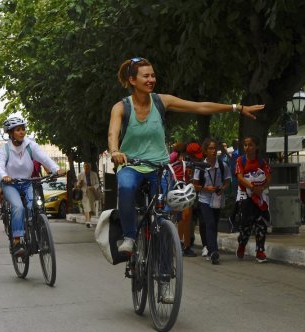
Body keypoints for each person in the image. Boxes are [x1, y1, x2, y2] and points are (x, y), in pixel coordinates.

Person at [108, 57, 265, 256]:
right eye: (145, 76)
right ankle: (130, 238)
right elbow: (113, 133)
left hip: (158, 167)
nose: (151, 79)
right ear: (132, 80)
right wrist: (115, 152)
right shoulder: (121, 107)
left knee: (163, 216)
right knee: (126, 187)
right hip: (131, 165)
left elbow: (200, 107)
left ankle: (164, 271)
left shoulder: (161, 101)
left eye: (153, 75)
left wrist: (237, 108)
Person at [0, 116, 65, 256]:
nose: (22, 132)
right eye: (18, 130)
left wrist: (56, 169)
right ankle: (17, 241)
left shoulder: (30, 145)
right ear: (10, 133)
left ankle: (36, 231)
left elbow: (44, 158)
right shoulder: (4, 149)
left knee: (34, 206)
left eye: (23, 129)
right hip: (11, 184)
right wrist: (4, 176)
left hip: (28, 182)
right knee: (18, 207)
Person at [193, 138, 231, 264]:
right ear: (205, 151)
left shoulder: (222, 165)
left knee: (214, 224)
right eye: (210, 148)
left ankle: (211, 249)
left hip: (217, 199)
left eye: (215, 148)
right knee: (209, 223)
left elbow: (227, 181)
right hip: (204, 199)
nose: (213, 151)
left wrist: (222, 189)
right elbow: (195, 185)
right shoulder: (200, 167)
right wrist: (205, 188)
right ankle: (214, 251)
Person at [235, 135, 272, 263]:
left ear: (256, 147)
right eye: (245, 145)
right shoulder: (240, 160)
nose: (247, 147)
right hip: (245, 194)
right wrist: (251, 187)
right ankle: (242, 244)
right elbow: (240, 177)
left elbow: (268, 178)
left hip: (259, 195)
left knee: (261, 223)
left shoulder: (262, 162)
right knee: (246, 223)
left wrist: (261, 188)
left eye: (250, 145)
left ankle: (260, 251)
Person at [185, 141, 208, 256]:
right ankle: (187, 243)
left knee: (200, 220)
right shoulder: (184, 164)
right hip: (187, 196)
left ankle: (201, 244)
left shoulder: (201, 165)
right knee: (189, 221)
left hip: (199, 196)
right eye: (195, 156)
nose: (197, 158)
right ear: (190, 155)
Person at [77, 162, 99, 228]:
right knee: (86, 207)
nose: (87, 168)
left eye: (88, 167)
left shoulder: (94, 174)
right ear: (84, 167)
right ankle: (88, 222)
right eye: (85, 166)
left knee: (91, 207)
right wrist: (80, 183)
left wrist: (94, 187)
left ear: (90, 167)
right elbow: (78, 185)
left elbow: (97, 183)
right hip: (84, 192)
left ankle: (89, 221)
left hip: (92, 192)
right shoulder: (80, 174)